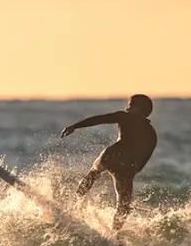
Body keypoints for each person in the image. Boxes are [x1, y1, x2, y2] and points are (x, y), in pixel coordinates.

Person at [60, 94, 158, 230]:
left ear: (140, 108)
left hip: (111, 155)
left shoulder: (125, 117)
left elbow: (99, 119)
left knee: (93, 174)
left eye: (131, 106)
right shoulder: (151, 132)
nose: (127, 108)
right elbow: (146, 155)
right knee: (123, 204)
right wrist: (134, 170)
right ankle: (114, 233)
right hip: (127, 166)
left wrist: (75, 126)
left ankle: (73, 206)